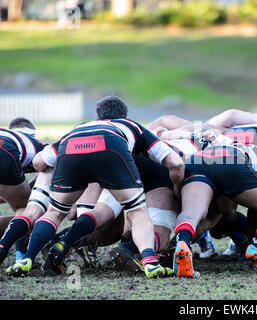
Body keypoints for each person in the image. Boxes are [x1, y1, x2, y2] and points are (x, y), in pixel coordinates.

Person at [5, 96, 185, 278]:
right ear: (125, 116)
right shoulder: (132, 125)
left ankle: (27, 258)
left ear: (98, 117)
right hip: (112, 149)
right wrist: (178, 187)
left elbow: (38, 162)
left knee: (55, 212)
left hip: (72, 150)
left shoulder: (80, 127)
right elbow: (175, 162)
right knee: (137, 212)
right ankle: (151, 263)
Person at [172, 142, 257, 277]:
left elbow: (225, 207)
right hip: (232, 161)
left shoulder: (256, 151)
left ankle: (177, 247)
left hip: (197, 160)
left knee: (197, 214)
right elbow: (255, 218)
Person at [0, 117, 52, 266]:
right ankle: (21, 255)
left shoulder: (8, 135)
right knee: (26, 207)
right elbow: (48, 172)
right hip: (4, 150)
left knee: (20, 204)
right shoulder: (39, 145)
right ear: (32, 134)